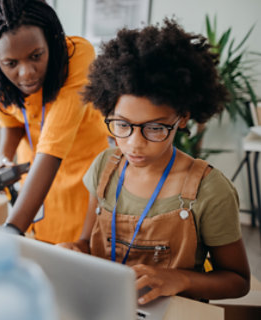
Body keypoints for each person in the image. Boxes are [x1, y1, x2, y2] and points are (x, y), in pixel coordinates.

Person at [60, 19, 251, 304]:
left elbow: (238, 281)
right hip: (106, 305)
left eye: (155, 128)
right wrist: (72, 249)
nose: (135, 144)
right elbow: (87, 243)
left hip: (175, 315)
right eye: (122, 125)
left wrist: (181, 279)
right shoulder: (104, 167)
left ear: (183, 117)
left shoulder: (209, 191)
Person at [0, 0, 109, 244]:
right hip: (35, 184)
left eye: (36, 56)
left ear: (51, 41)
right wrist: (4, 158)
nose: (26, 72)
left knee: (83, 255)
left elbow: (53, 145)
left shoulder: (76, 57)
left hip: (86, 177)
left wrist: (11, 231)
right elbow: (12, 124)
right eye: (11, 64)